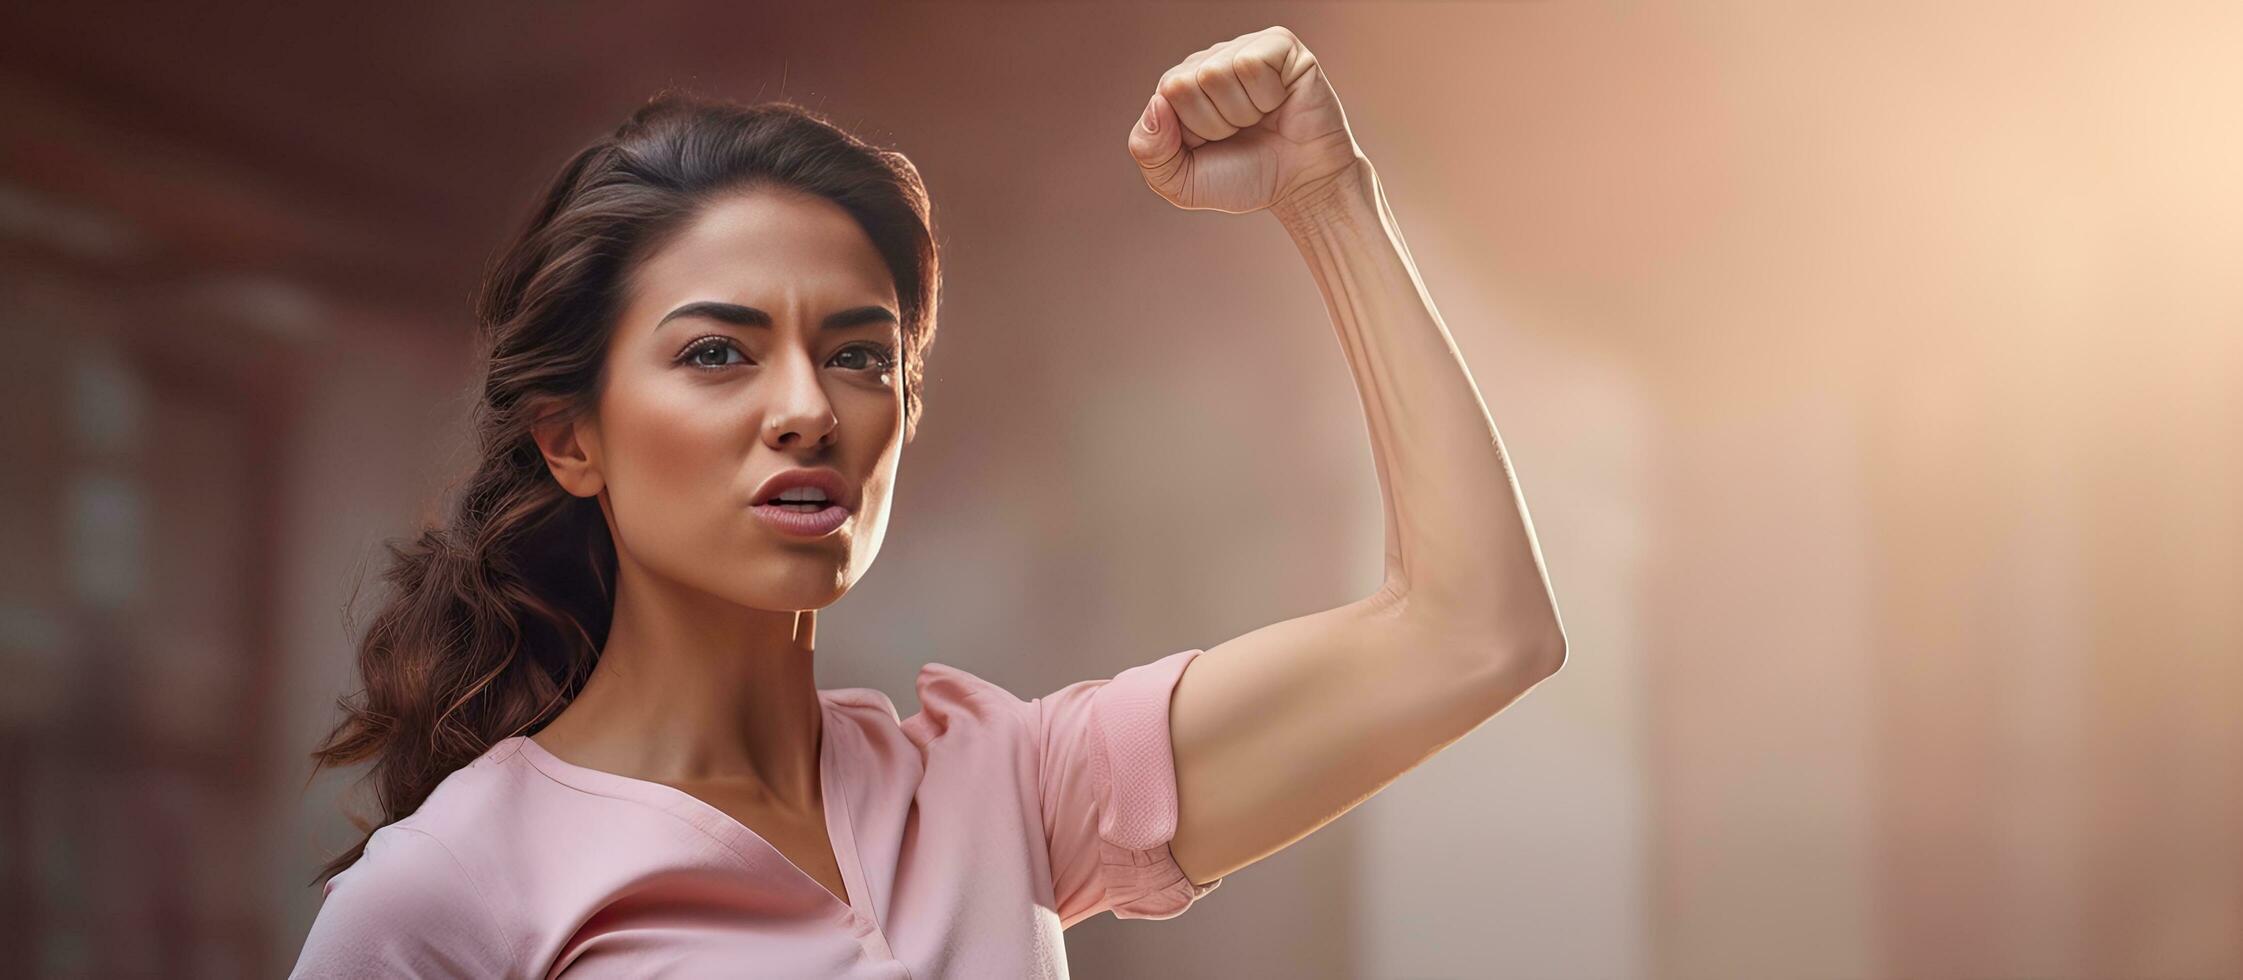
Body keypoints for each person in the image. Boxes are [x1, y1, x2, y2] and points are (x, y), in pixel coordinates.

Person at [291, 25, 1565, 978]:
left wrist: (1326, 197)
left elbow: (1475, 631)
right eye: (717, 353)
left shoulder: (1003, 787)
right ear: (572, 438)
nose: (807, 407)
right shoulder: (450, 891)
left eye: (857, 352)